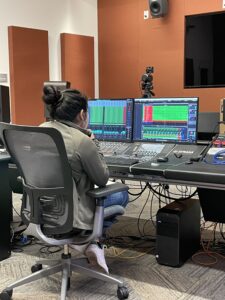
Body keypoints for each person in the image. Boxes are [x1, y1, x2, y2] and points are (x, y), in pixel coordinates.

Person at [41, 86, 129, 273]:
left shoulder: (40, 131)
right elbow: (103, 179)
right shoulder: (82, 141)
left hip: (42, 210)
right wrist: (93, 141)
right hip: (72, 217)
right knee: (121, 192)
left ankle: (89, 243)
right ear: (82, 114)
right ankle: (92, 241)